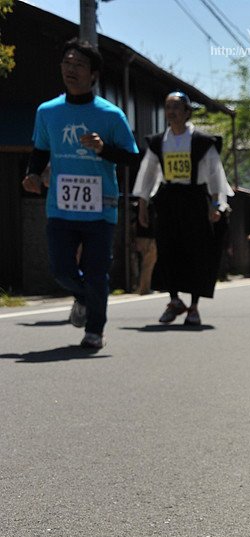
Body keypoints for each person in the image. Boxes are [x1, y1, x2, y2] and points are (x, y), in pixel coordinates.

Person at [22, 39, 139, 349]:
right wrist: (33, 174)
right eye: (67, 63)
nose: (71, 69)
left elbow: (132, 158)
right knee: (61, 270)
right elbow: (40, 149)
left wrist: (103, 149)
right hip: (60, 206)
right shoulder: (47, 111)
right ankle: (86, 298)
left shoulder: (111, 115)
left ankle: (95, 330)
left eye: (79, 65)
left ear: (94, 75)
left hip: (101, 207)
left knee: (97, 272)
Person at [134, 91, 233, 327]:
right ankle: (174, 300)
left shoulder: (201, 141)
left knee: (197, 251)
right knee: (167, 249)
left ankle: (194, 307)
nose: (171, 112)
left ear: (187, 112)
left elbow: (215, 174)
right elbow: (148, 174)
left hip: (195, 199)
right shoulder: (158, 142)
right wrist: (143, 204)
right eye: (168, 107)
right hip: (168, 199)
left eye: (176, 107)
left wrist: (216, 205)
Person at [132, 198, 157, 295]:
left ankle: (143, 287)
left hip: (141, 236)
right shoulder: (150, 205)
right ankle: (145, 289)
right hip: (149, 237)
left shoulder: (140, 205)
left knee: (145, 263)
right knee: (148, 264)